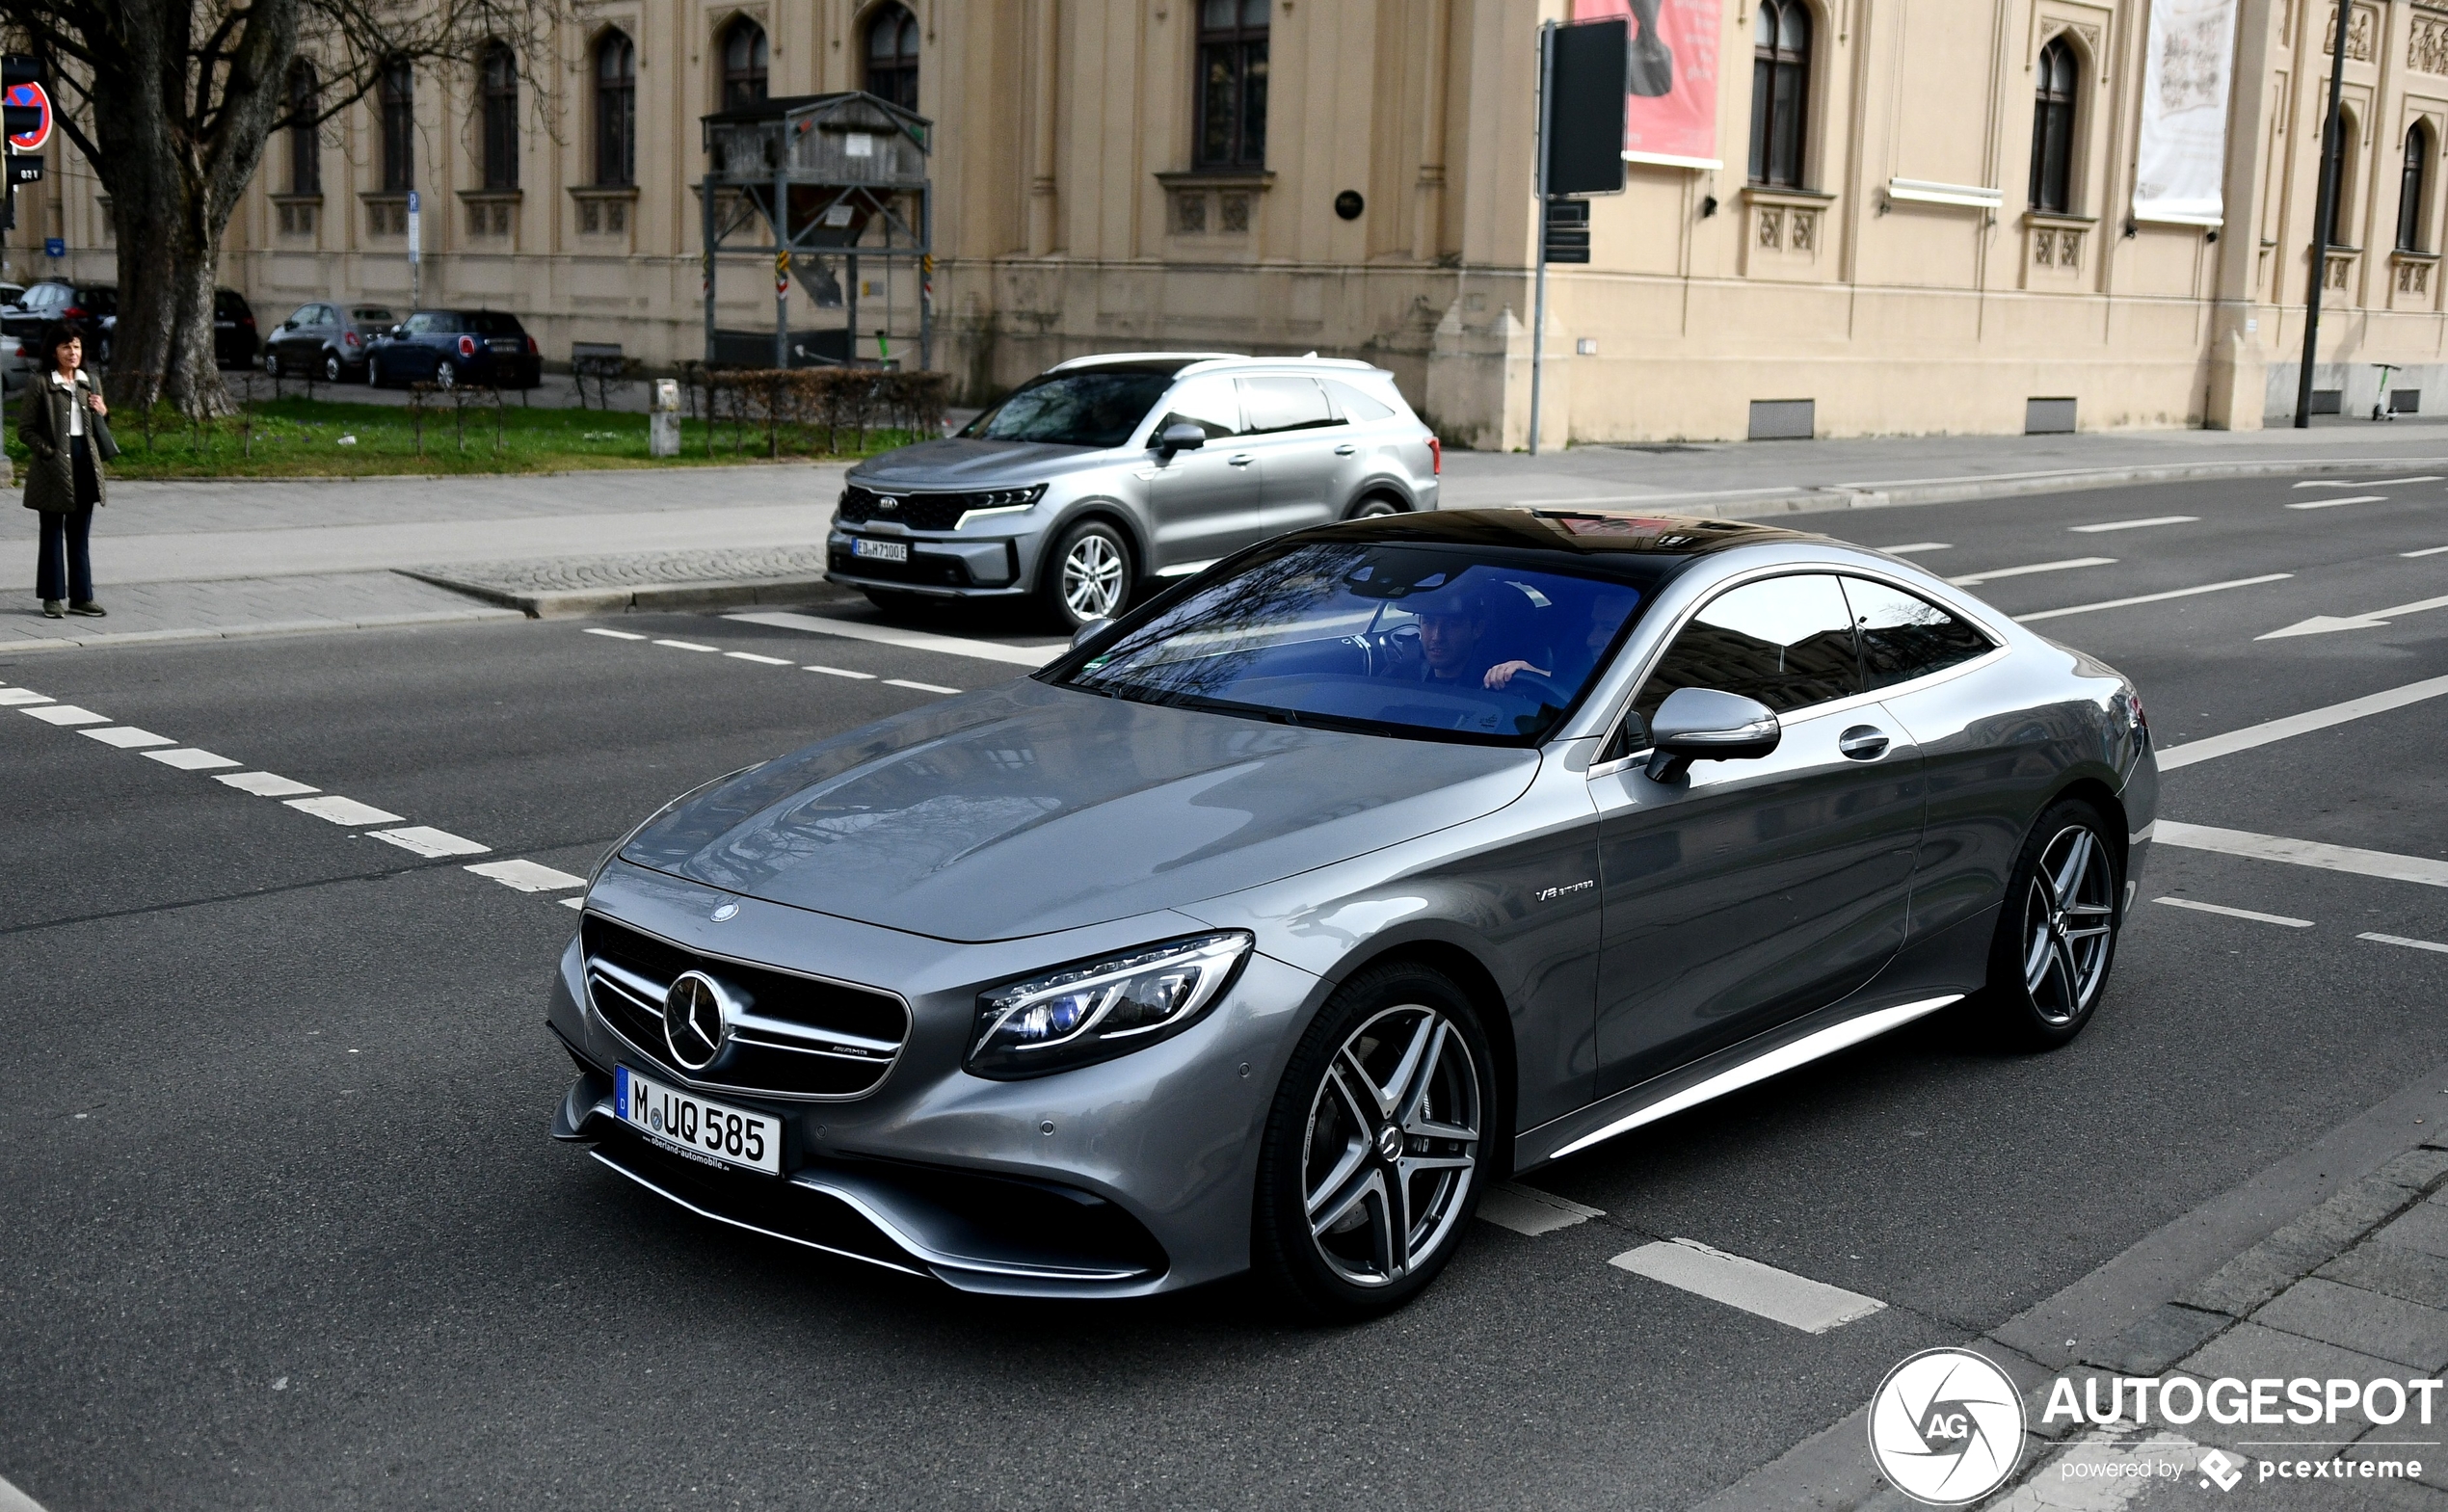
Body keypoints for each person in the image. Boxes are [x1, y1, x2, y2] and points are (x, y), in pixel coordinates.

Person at [19, 321, 117, 619]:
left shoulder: (91, 381)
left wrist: (103, 411)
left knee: (79, 534)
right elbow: (26, 430)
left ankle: (81, 597)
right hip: (52, 467)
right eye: (66, 347)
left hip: (85, 462)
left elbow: (98, 427)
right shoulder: (41, 383)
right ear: (54, 352)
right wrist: (48, 453)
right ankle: (52, 597)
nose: (72, 352)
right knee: (51, 534)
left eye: (76, 346)